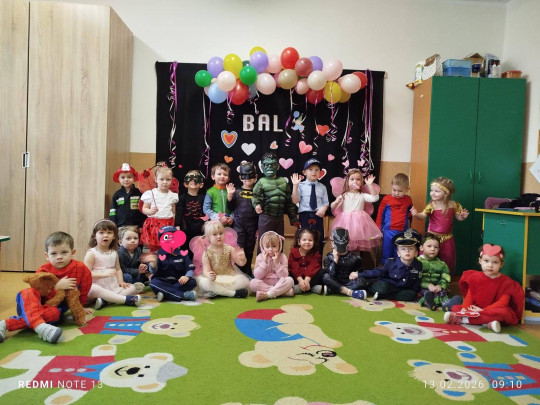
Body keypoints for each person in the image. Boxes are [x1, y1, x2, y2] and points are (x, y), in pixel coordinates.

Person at [0, 231, 93, 343]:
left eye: (64, 252)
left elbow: (85, 288)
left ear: (72, 252)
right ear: (47, 256)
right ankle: (40, 326)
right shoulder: (43, 270)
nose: (59, 257)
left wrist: (80, 306)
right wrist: (57, 288)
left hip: (51, 309)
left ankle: (4, 324)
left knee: (55, 314)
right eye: (54, 253)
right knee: (28, 292)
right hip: (30, 306)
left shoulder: (81, 268)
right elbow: (37, 296)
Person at [444, 244, 524, 333]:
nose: (490, 265)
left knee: (504, 313)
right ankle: (488, 323)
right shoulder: (475, 277)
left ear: (501, 264)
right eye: (486, 261)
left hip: (493, 310)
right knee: (456, 308)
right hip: (477, 309)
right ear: (480, 261)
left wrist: (484, 311)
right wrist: (465, 309)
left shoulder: (506, 282)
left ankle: (463, 320)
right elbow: (471, 295)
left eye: (495, 262)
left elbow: (503, 302)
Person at [411, 177, 469, 274]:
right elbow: (422, 216)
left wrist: (462, 217)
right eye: (431, 190)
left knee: (447, 259)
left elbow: (459, 218)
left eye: (436, 191)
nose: (432, 193)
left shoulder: (452, 205)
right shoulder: (432, 205)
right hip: (432, 238)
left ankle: (444, 279)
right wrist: (416, 214)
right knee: (429, 258)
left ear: (446, 193)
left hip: (447, 239)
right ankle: (426, 278)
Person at [85, 219, 144, 309]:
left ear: (113, 237)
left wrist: (120, 281)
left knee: (132, 288)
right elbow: (86, 274)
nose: (105, 235)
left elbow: (118, 269)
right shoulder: (92, 253)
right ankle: (125, 300)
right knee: (93, 288)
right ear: (94, 236)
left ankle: (105, 301)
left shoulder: (114, 252)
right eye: (101, 233)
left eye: (109, 233)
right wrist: (103, 274)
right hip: (97, 286)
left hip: (112, 286)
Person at [358, 229, 423, 301]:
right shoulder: (391, 263)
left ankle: (384, 295)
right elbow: (379, 272)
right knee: (383, 287)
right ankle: (380, 292)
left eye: (411, 249)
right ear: (398, 253)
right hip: (388, 286)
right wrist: (359, 274)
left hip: (403, 290)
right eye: (403, 249)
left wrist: (415, 293)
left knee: (412, 295)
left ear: (416, 253)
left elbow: (417, 282)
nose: (407, 251)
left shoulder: (418, 265)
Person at [252, 152, 299, 250]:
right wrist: (257, 205)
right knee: (264, 244)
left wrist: (293, 218)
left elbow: (289, 202)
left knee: (279, 243)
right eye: (266, 165)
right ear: (262, 167)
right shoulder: (261, 182)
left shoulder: (283, 181)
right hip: (266, 217)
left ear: (278, 166)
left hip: (279, 219)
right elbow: (255, 196)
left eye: (272, 164)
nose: (269, 167)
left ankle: (278, 260)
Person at [330, 169, 382, 254]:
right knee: (344, 243)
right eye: (352, 179)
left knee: (357, 245)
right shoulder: (343, 195)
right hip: (345, 223)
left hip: (359, 224)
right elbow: (333, 207)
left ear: (361, 182)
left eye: (358, 179)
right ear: (347, 181)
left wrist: (370, 185)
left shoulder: (362, 195)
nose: (355, 181)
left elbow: (375, 198)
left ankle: (355, 259)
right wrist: (336, 202)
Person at [197, 221, 250, 298]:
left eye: (221, 233)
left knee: (243, 281)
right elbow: (206, 271)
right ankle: (233, 293)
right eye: (214, 234)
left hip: (230, 277)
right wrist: (209, 275)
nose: (219, 236)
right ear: (208, 237)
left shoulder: (229, 248)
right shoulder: (206, 252)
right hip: (215, 279)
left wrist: (242, 258)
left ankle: (218, 292)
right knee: (203, 282)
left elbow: (241, 263)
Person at [227, 161, 259, 277]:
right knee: (239, 247)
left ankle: (248, 270)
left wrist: (258, 228)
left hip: (252, 225)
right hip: (238, 225)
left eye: (250, 176)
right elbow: (230, 208)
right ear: (240, 177)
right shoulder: (236, 191)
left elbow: (259, 213)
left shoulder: (257, 192)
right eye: (244, 176)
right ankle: (238, 271)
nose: (247, 179)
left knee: (250, 248)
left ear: (255, 177)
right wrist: (230, 196)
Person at [291, 158, 329, 255]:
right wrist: (295, 186)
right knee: (304, 240)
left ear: (320, 172)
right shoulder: (300, 186)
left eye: (316, 170)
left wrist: (323, 209)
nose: (313, 172)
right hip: (304, 216)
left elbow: (326, 203)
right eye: (310, 169)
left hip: (318, 216)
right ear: (304, 172)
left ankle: (317, 262)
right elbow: (295, 201)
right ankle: (304, 262)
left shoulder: (323, 187)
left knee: (318, 240)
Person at [150, 226, 197, 302]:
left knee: (192, 282)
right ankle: (183, 295)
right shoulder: (157, 254)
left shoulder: (183, 253)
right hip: (163, 281)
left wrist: (186, 276)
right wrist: (153, 265)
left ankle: (165, 293)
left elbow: (190, 268)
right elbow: (153, 272)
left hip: (179, 281)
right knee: (154, 283)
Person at [376, 173, 413, 264]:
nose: (396, 193)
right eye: (394, 190)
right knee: (387, 252)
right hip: (388, 231)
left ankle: (398, 270)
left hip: (402, 231)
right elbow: (380, 215)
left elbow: (409, 215)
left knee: (399, 253)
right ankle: (386, 270)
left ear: (407, 189)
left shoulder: (408, 200)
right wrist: (378, 230)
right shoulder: (386, 199)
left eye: (400, 191)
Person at [141, 165, 179, 252]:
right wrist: (150, 211)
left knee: (168, 247)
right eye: (161, 179)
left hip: (168, 223)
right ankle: (155, 260)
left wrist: (175, 223)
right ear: (156, 179)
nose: (165, 182)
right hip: (154, 223)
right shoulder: (151, 194)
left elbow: (173, 211)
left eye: (168, 179)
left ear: (172, 180)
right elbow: (144, 209)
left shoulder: (173, 196)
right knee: (154, 248)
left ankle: (165, 259)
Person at [322, 228, 366, 298]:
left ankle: (334, 290)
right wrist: (335, 260)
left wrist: (356, 273)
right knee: (325, 277)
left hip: (349, 282)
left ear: (348, 241)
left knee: (362, 281)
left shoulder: (355, 258)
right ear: (332, 242)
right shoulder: (328, 257)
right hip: (335, 281)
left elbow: (361, 273)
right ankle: (350, 292)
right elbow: (330, 275)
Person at [251, 231, 294, 302]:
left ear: (279, 246)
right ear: (262, 247)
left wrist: (277, 263)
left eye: (274, 246)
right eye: (267, 247)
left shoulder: (283, 257)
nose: (270, 249)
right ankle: (282, 292)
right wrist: (264, 262)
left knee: (290, 280)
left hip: (278, 282)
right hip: (265, 282)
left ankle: (268, 294)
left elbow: (284, 276)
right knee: (252, 283)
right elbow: (257, 276)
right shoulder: (260, 257)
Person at [417, 233, 451, 310]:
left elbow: (446, 277)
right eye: (429, 246)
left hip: (436, 288)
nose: (433, 249)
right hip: (423, 287)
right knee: (424, 293)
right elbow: (414, 278)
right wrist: (427, 285)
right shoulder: (417, 262)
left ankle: (447, 304)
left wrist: (440, 286)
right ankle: (429, 302)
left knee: (442, 293)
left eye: (436, 247)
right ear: (421, 248)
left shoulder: (442, 264)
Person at [175, 170, 206, 256]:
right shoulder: (182, 198)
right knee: (185, 247)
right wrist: (177, 225)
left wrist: (206, 223)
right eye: (190, 178)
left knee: (198, 247)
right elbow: (179, 211)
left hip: (199, 227)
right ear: (185, 184)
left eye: (196, 178)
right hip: (186, 227)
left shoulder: (203, 198)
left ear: (201, 184)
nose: (193, 180)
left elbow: (205, 211)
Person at [109, 163, 145, 229]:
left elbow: (143, 210)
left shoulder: (139, 193)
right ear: (119, 179)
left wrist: (141, 225)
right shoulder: (117, 194)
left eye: (129, 177)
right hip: (120, 226)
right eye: (123, 177)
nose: (126, 180)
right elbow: (112, 211)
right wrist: (113, 225)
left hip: (136, 226)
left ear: (134, 178)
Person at [288, 228, 324, 295]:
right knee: (288, 274)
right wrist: (300, 280)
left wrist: (307, 280)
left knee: (322, 272)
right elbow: (294, 267)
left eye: (310, 240)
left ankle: (302, 288)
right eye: (304, 240)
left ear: (314, 242)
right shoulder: (293, 252)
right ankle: (311, 288)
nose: (307, 242)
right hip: (297, 278)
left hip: (310, 278)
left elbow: (313, 267)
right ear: (299, 242)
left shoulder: (316, 254)